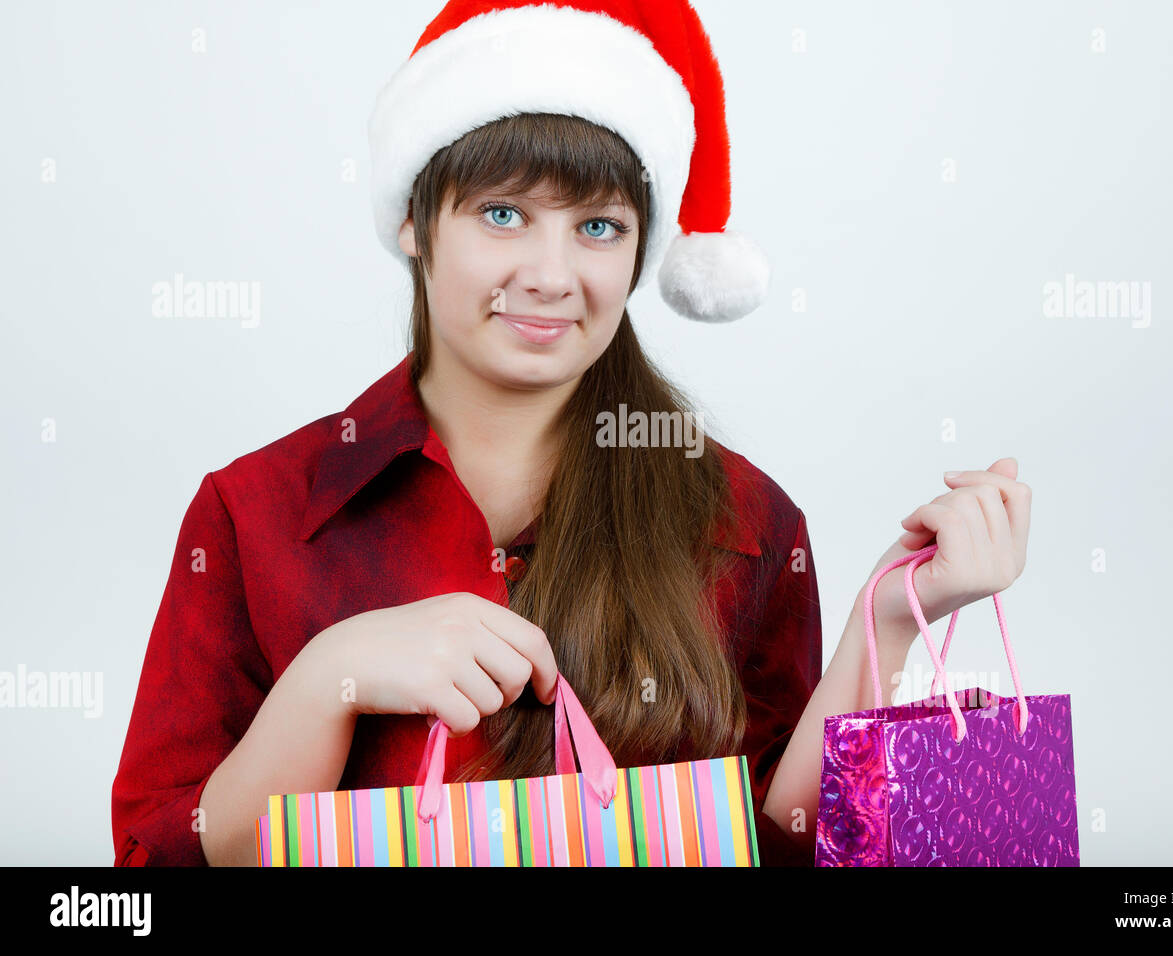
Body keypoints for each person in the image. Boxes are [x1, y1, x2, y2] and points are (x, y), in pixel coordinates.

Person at [112, 0, 1032, 868]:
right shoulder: (255, 512)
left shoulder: (747, 521)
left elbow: (780, 845)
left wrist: (887, 627)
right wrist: (329, 679)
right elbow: (159, 858)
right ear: (413, 224)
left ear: (640, 253)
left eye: (598, 226)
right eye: (503, 213)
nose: (553, 276)